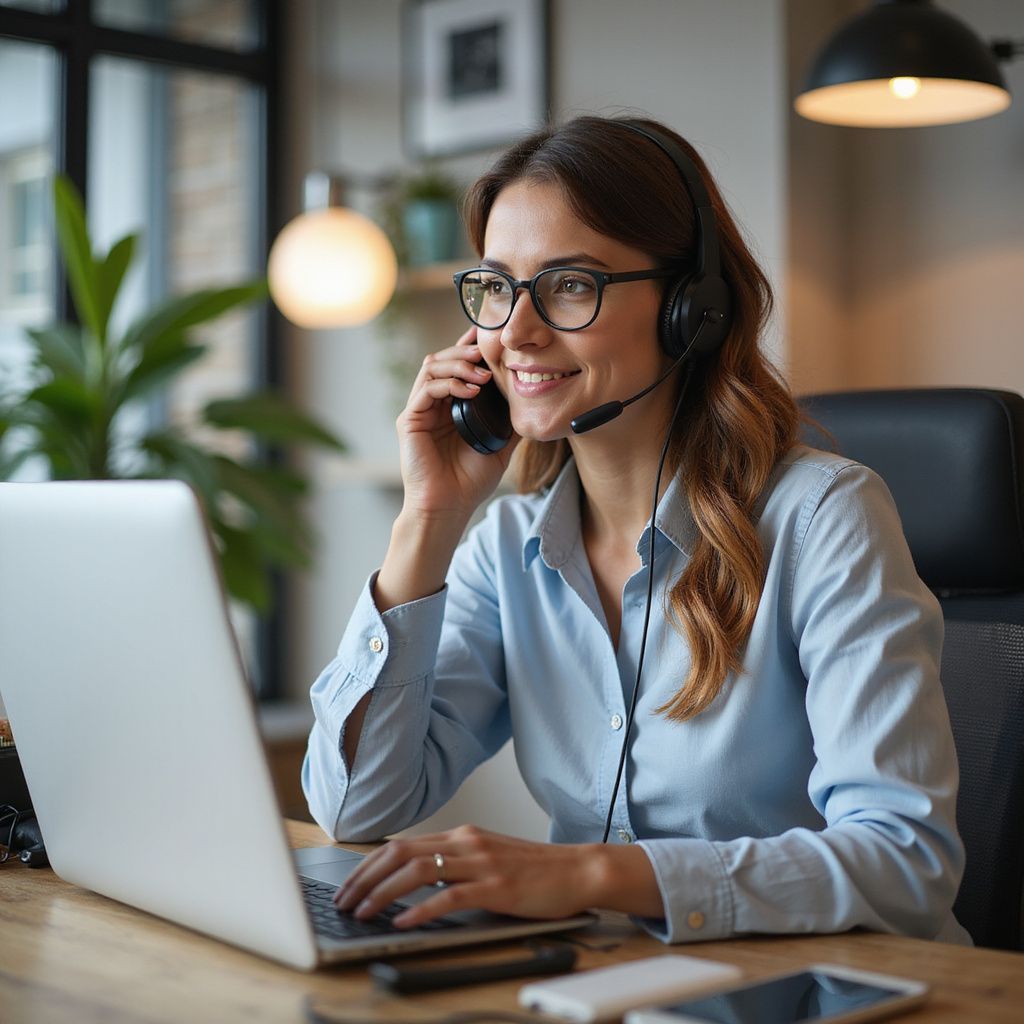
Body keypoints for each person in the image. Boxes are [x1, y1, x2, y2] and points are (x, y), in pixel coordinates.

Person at [302, 115, 970, 945]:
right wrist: (428, 521)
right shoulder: (505, 548)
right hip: (610, 987)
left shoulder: (823, 520)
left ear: (691, 308)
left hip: (825, 993)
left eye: (570, 285)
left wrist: (589, 874)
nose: (514, 332)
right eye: (498, 286)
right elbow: (358, 806)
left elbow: (903, 861)